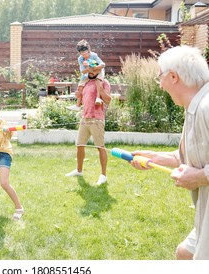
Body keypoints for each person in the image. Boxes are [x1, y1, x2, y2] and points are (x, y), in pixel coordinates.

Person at [130, 46, 209, 260]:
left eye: (160, 77)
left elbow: (201, 169)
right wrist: (153, 158)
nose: (161, 85)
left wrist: (199, 177)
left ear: (173, 76)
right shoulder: (194, 106)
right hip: (204, 211)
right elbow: (193, 155)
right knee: (184, 253)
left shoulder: (206, 107)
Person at [65, 68, 111, 186]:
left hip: (97, 119)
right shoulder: (85, 83)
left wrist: (100, 89)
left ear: (98, 72)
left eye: (93, 72)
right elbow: (81, 102)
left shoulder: (103, 82)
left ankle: (103, 175)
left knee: (100, 147)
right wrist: (78, 96)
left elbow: (108, 100)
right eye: (89, 72)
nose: (91, 73)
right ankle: (79, 171)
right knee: (79, 145)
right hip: (85, 118)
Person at [67, 39, 106, 111]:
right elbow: (83, 71)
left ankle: (98, 98)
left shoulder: (94, 55)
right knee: (80, 85)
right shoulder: (81, 59)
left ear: (89, 50)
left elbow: (103, 64)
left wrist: (95, 67)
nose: (85, 56)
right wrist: (88, 68)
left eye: (86, 53)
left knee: (98, 80)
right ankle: (78, 105)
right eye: (83, 54)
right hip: (88, 73)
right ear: (80, 53)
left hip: (98, 71)